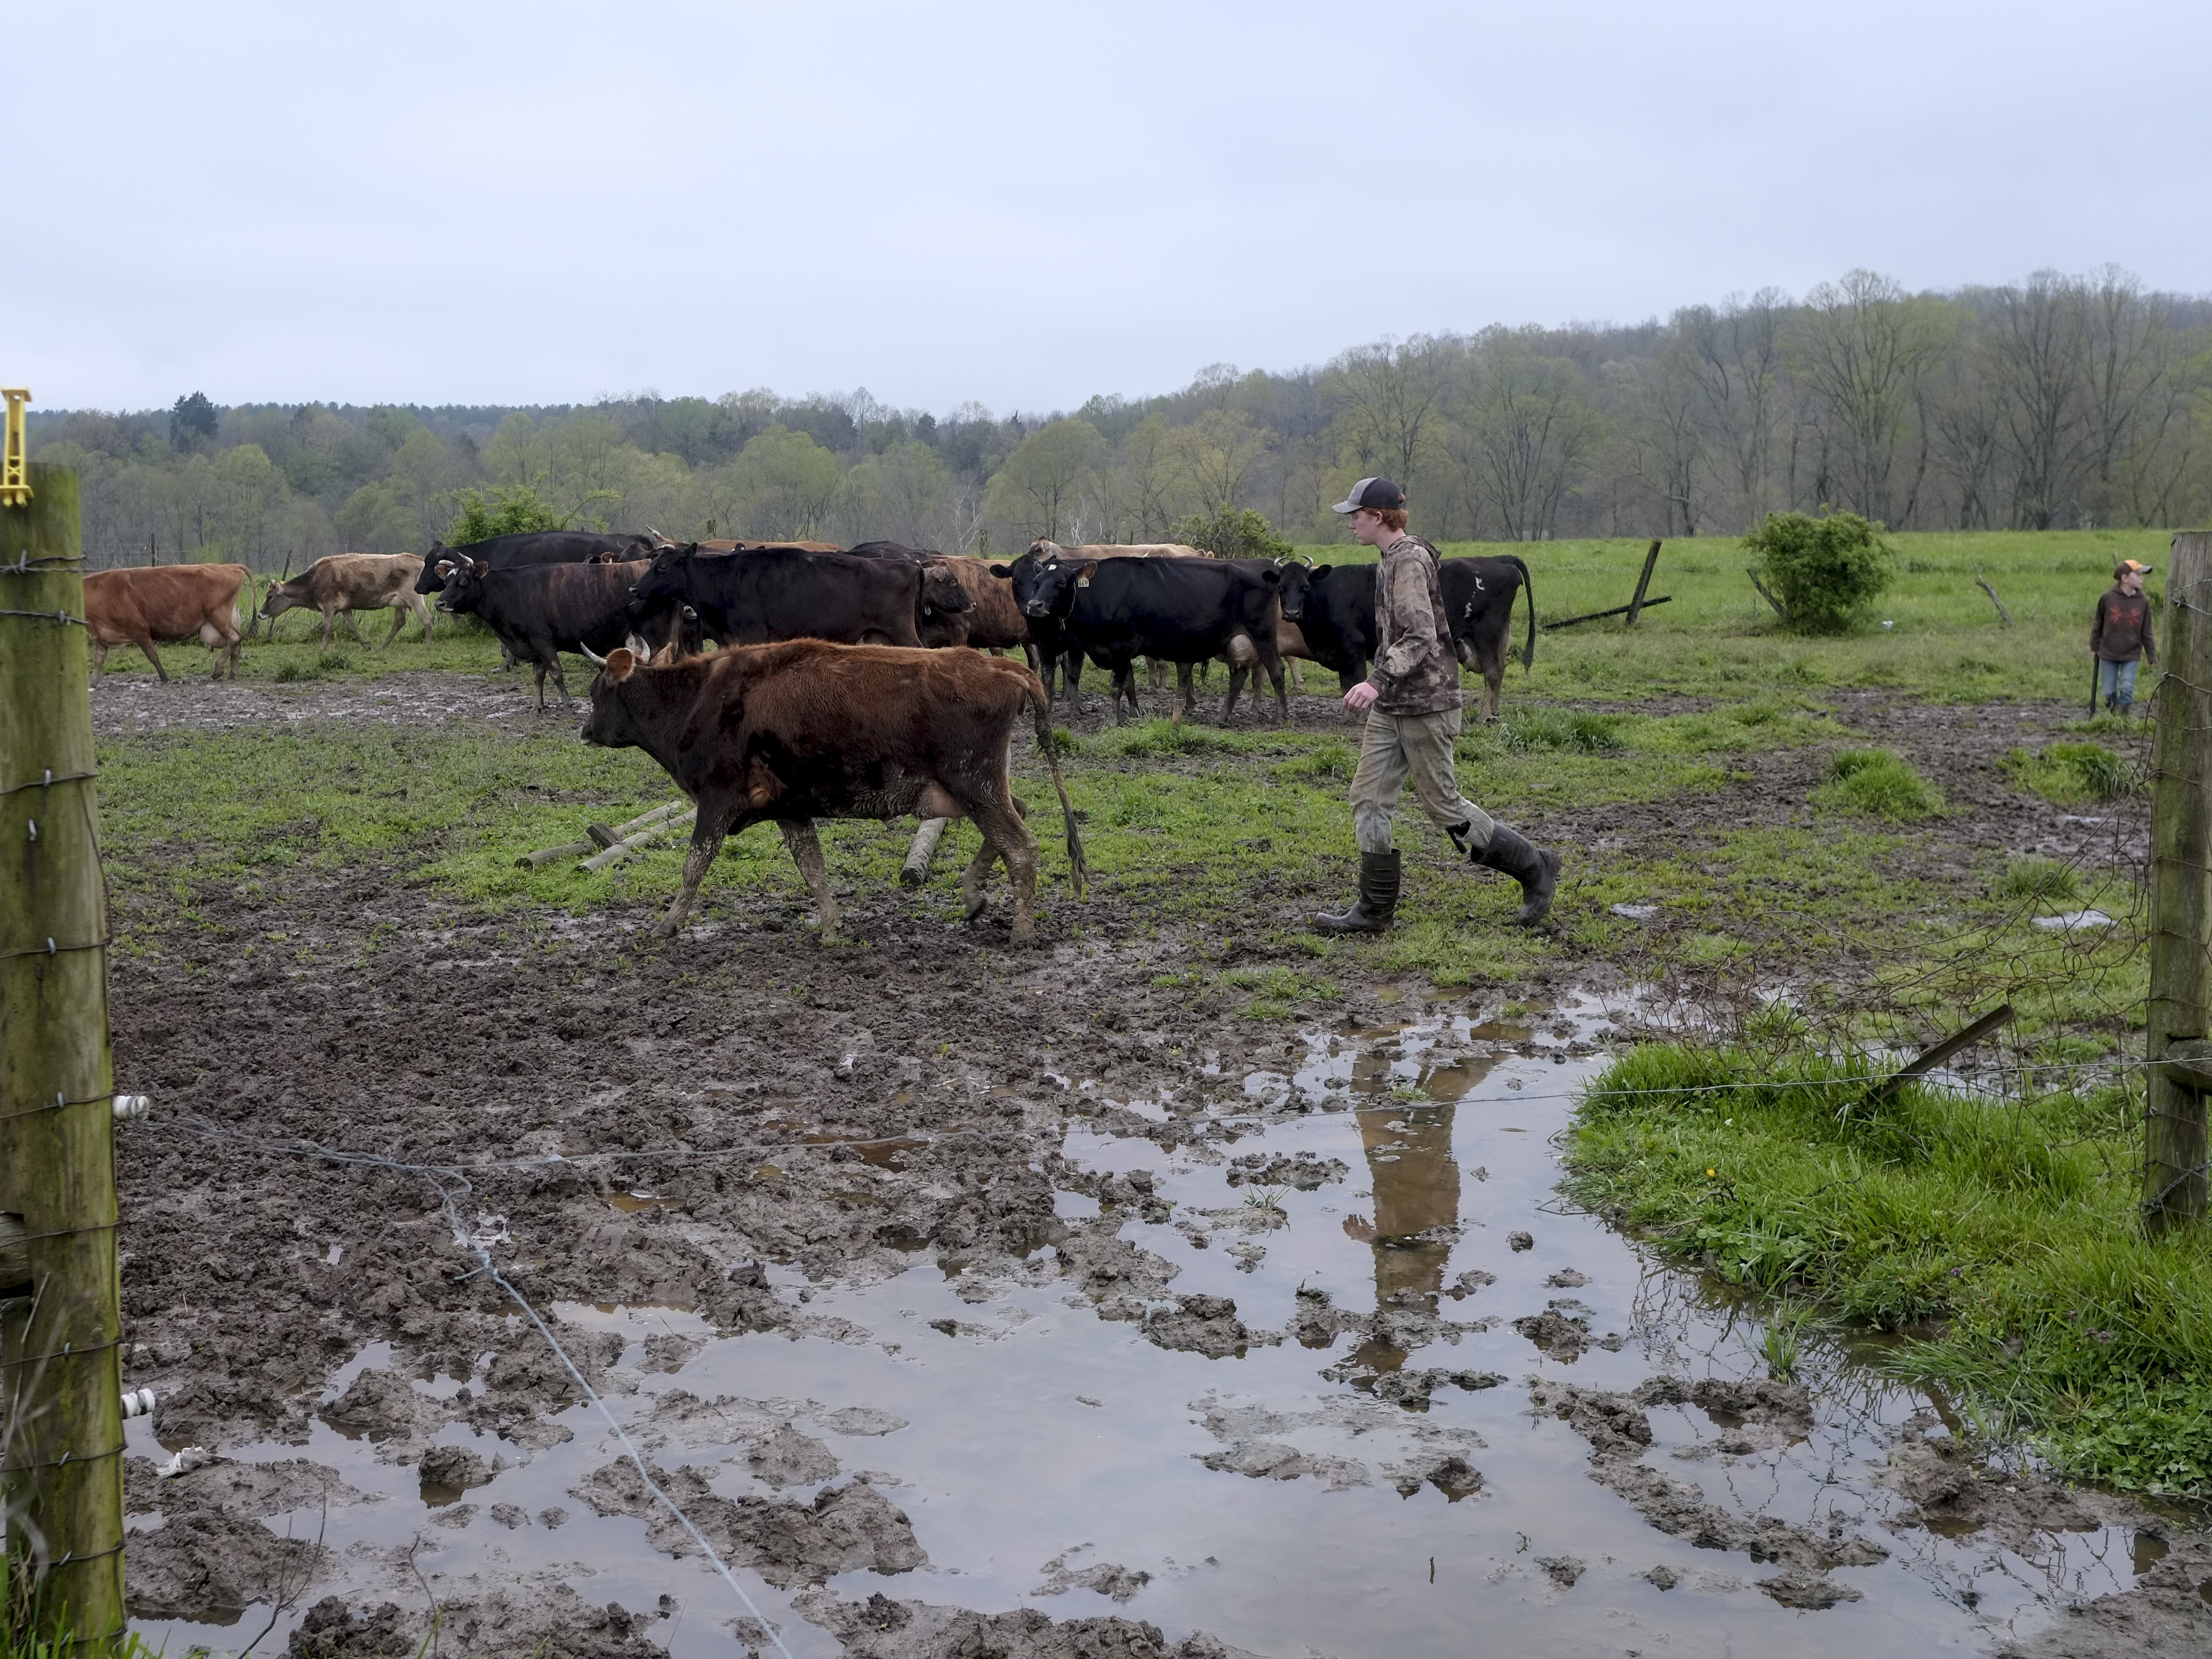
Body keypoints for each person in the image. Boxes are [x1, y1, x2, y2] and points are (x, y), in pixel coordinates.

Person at [1313, 478, 1560, 934]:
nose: (1350, 521)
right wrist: (1383, 689)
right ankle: (1374, 911)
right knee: (1367, 800)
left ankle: (1535, 867)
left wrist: (1375, 680)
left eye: (1357, 514)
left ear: (1380, 516)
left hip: (1426, 703)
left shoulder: (1407, 561)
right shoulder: (1390, 558)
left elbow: (1420, 635)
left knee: (1445, 807)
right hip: (1394, 704)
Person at [2091, 559, 2157, 716]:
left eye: (2143, 575)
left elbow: (2147, 631)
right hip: (2108, 652)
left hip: (2131, 653)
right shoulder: (2107, 598)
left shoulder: (2143, 602)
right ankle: (2112, 713)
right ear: (2125, 578)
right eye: (2138, 574)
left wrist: (2151, 655)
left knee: (2127, 687)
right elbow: (2097, 625)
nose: (2142, 578)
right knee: (2108, 691)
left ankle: (2123, 716)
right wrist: (2094, 647)